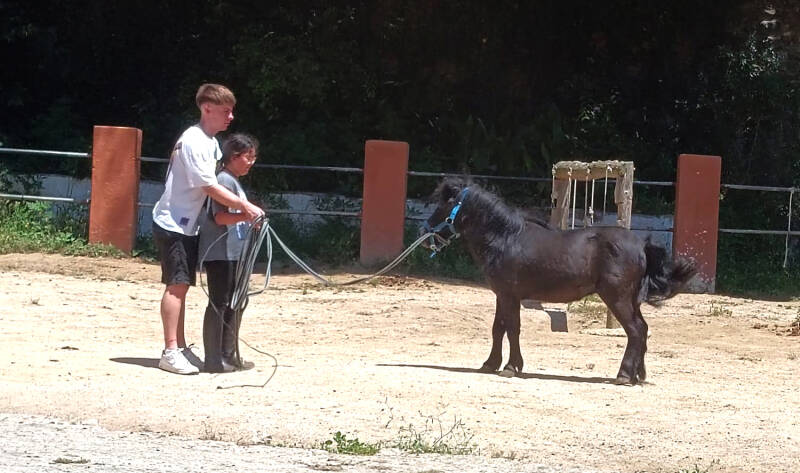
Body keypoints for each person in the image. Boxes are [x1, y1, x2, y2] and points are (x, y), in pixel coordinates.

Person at [152, 84, 263, 375]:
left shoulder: (210, 143)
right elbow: (209, 186)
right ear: (207, 109)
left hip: (186, 225)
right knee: (177, 285)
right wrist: (245, 207)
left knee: (183, 285)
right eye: (225, 111)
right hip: (173, 222)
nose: (230, 117)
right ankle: (170, 350)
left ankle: (181, 346)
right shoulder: (194, 141)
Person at [197, 133, 261, 373]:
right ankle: (214, 359)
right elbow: (220, 217)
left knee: (236, 302)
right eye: (248, 156)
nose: (251, 162)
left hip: (234, 252)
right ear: (234, 156)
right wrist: (248, 215)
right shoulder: (224, 180)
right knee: (220, 302)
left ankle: (228, 355)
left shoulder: (232, 181)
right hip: (221, 252)